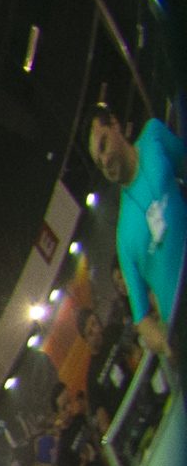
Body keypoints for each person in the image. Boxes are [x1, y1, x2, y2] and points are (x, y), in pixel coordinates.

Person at [88, 102, 183, 373]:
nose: (105, 161)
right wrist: (166, 345)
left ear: (115, 124)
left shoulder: (153, 137)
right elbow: (141, 318)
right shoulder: (123, 238)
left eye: (103, 144)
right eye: (98, 161)